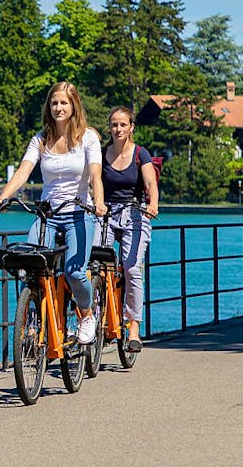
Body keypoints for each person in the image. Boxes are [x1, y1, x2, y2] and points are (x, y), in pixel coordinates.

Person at [0, 81, 106, 344]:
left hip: (79, 213)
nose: (58, 108)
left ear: (74, 106)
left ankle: (87, 315)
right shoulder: (41, 139)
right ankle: (32, 319)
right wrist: (2, 197)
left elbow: (96, 174)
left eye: (64, 103)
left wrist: (99, 202)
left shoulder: (88, 137)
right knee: (29, 266)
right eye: (54, 103)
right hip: (47, 215)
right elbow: (23, 171)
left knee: (75, 272)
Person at [101, 106, 158, 352]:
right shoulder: (102, 153)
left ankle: (133, 327)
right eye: (114, 124)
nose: (118, 129)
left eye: (123, 124)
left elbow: (150, 183)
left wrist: (153, 204)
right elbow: (93, 182)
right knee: (97, 266)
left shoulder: (140, 154)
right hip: (105, 213)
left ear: (131, 127)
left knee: (132, 268)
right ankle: (101, 317)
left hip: (134, 213)